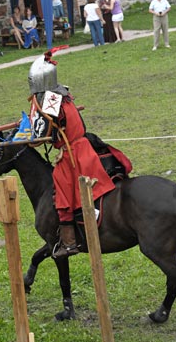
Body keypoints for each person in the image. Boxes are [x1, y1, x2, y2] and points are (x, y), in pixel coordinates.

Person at [26, 50, 132, 257]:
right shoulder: (63, 93)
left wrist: (31, 134)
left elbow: (41, 134)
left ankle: (69, 241)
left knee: (62, 186)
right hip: (82, 146)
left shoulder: (50, 101)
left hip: (75, 153)